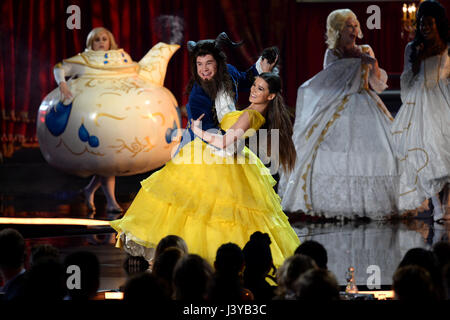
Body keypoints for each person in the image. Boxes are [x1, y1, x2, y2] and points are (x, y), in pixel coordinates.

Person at [110, 72, 300, 267]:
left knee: (206, 212)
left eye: (260, 89)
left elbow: (226, 141)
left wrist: (198, 131)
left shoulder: (251, 114)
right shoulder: (254, 110)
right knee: (201, 211)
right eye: (254, 85)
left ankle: (201, 259)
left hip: (222, 162)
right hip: (227, 161)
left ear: (270, 96)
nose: (253, 90)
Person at [278, 9, 399, 219]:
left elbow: (377, 83)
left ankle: (376, 203)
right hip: (339, 107)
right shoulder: (333, 53)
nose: (353, 30)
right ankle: (338, 204)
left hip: (366, 103)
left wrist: (373, 64)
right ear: (338, 30)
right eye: (348, 26)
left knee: (381, 153)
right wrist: (353, 63)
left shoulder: (366, 49)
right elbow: (330, 82)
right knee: (334, 153)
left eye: (355, 25)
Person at [391, 0, 450, 222]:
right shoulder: (413, 48)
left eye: (429, 23)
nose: (424, 27)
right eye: (421, 23)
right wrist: (417, 63)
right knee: (424, 153)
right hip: (420, 104)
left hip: (443, 100)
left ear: (438, 24)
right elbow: (407, 81)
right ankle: (437, 205)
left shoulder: (448, 47)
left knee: (445, 155)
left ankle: (447, 204)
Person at [53, 27, 122, 213]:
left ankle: (89, 190)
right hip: (90, 119)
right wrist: (62, 84)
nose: (101, 42)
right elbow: (60, 68)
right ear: (91, 43)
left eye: (104, 39)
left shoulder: (118, 61)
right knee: (106, 160)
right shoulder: (84, 60)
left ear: (110, 42)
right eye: (97, 39)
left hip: (113, 117)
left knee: (107, 160)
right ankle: (111, 202)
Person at [178, 32, 278, 153]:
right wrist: (231, 142)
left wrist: (263, 64)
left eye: (209, 63)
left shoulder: (229, 72)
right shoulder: (197, 96)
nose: (204, 69)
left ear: (219, 63)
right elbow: (208, 132)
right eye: (199, 64)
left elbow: (247, 80)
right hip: (205, 149)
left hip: (228, 142)